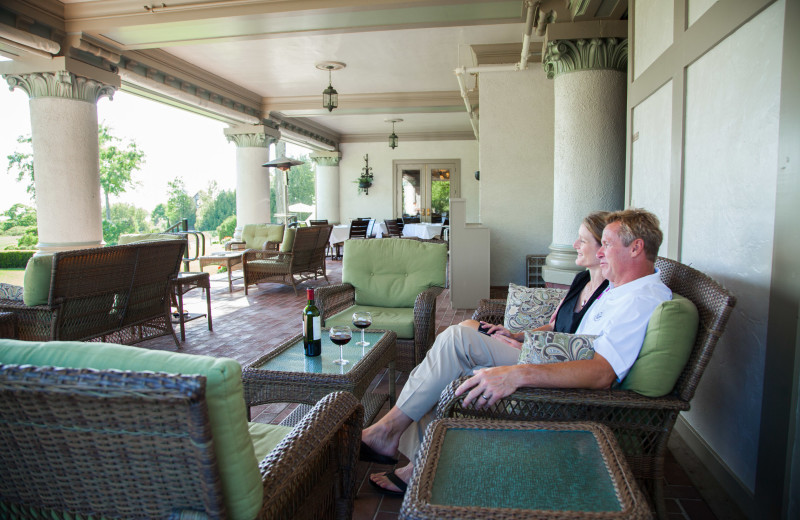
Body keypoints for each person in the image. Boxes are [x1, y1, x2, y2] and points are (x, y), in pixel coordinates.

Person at [363, 208, 672, 496]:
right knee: (447, 357)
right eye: (600, 244)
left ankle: (395, 439)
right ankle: (412, 456)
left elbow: (602, 373)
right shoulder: (621, 290)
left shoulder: (640, 299)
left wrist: (517, 373)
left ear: (636, 248)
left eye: (606, 244)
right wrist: (527, 342)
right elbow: (569, 333)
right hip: (552, 362)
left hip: (571, 397)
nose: (600, 252)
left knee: (456, 340)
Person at [461, 210, 610, 341]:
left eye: (582, 240)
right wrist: (515, 336)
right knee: (466, 326)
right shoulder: (582, 280)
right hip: (533, 348)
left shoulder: (607, 296)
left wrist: (527, 348)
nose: (575, 244)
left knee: (462, 334)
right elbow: (553, 326)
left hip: (545, 360)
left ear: (603, 248)